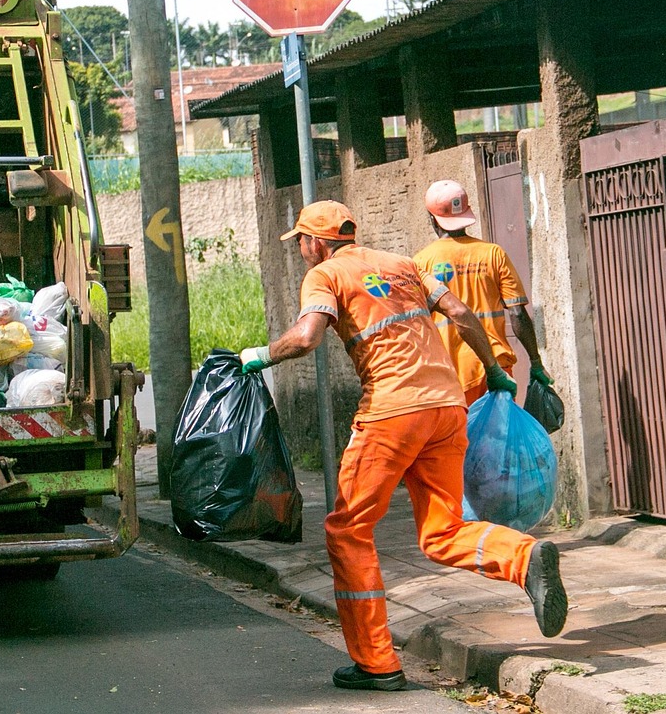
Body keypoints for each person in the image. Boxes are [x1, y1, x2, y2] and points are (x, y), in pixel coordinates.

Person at [240, 200, 568, 692]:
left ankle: (377, 663)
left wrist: (260, 356)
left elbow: (307, 337)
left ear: (316, 241)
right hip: (447, 407)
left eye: (301, 243)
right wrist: (496, 370)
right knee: (441, 531)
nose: (302, 252)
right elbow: (460, 312)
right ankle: (523, 557)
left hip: (392, 412)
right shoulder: (403, 264)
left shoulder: (325, 275)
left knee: (348, 530)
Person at [414, 179, 554, 405]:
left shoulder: (420, 263)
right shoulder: (493, 254)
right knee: (500, 438)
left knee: (462, 440)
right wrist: (536, 362)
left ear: (433, 219)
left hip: (452, 374)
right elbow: (518, 314)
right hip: (497, 369)